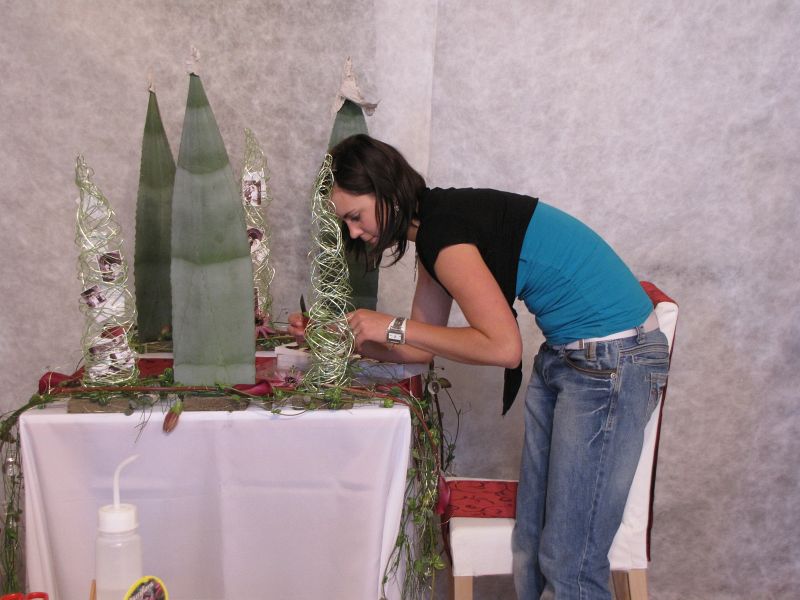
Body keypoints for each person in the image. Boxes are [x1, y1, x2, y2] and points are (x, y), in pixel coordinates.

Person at [289, 134, 670, 600]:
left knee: (571, 563)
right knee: (531, 547)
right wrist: (340, 340)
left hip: (612, 363)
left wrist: (391, 326)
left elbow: (503, 348)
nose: (352, 231)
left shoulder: (444, 235)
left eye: (354, 216)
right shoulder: (433, 231)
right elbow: (418, 350)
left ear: (385, 191)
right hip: (571, 360)